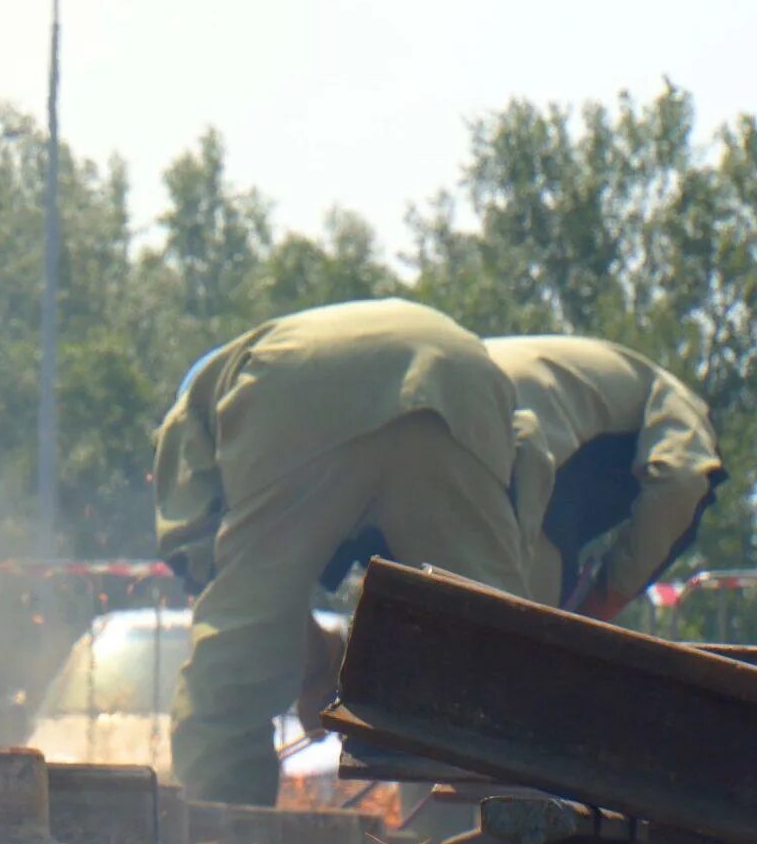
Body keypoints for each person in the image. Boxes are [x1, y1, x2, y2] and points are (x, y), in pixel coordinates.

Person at [152, 299, 550, 807]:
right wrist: (325, 664)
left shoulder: (201, 403)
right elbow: (529, 450)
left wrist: (304, 663)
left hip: (293, 391)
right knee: (491, 668)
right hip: (457, 377)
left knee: (230, 682)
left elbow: (200, 559)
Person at [485, 335, 725, 620]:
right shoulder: (681, 403)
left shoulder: (590, 368)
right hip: (524, 472)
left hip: (435, 405)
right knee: (527, 639)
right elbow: (683, 481)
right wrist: (608, 596)